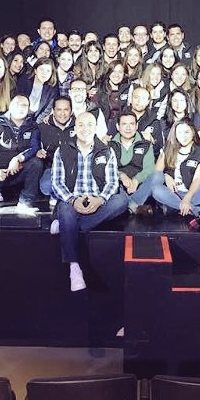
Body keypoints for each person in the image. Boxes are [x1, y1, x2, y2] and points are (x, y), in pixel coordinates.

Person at [51, 111, 128, 292]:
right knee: (65, 209)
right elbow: (56, 183)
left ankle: (67, 226)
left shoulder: (106, 151)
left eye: (89, 125)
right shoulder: (62, 151)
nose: (85, 128)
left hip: (96, 201)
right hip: (72, 200)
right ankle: (74, 267)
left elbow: (112, 183)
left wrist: (100, 200)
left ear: (95, 128)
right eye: (81, 125)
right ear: (75, 128)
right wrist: (72, 200)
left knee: (122, 200)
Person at [0, 95, 43, 208]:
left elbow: (34, 147)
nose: (21, 108)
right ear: (10, 106)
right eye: (17, 104)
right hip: (0, 171)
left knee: (36, 163)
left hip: (19, 169)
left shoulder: (33, 126)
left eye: (24, 105)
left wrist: (18, 158)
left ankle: (26, 201)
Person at [151, 119, 200, 217]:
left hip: (193, 193)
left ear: (193, 132)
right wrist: (166, 175)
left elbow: (197, 179)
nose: (183, 136)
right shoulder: (168, 148)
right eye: (179, 132)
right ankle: (196, 210)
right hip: (173, 193)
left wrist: (187, 199)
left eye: (186, 132)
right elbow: (157, 172)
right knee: (156, 190)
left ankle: (176, 207)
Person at [110, 109, 156, 215]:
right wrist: (121, 175)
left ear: (136, 126)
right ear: (118, 127)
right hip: (120, 186)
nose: (128, 128)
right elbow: (107, 169)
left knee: (157, 176)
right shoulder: (109, 145)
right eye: (124, 124)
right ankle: (134, 207)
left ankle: (130, 205)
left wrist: (136, 180)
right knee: (112, 183)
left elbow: (150, 168)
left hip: (139, 187)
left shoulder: (145, 144)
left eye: (131, 124)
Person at [38, 96, 75, 201]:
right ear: (53, 111)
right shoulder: (43, 127)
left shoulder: (79, 125)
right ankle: (56, 195)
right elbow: (34, 147)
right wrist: (38, 152)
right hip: (52, 168)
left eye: (66, 109)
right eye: (59, 109)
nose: (62, 113)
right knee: (46, 186)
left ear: (71, 111)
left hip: (74, 168)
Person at [17, 57, 58, 124]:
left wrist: (35, 125)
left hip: (35, 121)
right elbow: (17, 102)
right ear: (35, 71)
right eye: (42, 69)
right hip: (18, 116)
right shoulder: (24, 81)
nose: (44, 73)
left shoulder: (52, 90)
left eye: (48, 71)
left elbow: (46, 111)